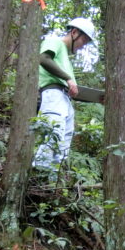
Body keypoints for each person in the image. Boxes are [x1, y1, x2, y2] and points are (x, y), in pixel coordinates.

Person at [31, 17, 96, 175]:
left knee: (64, 139)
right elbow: (43, 58)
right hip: (52, 94)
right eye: (84, 41)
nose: (82, 46)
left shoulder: (66, 58)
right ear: (74, 33)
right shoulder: (54, 41)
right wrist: (67, 78)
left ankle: (52, 177)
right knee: (54, 133)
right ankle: (39, 173)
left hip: (64, 99)